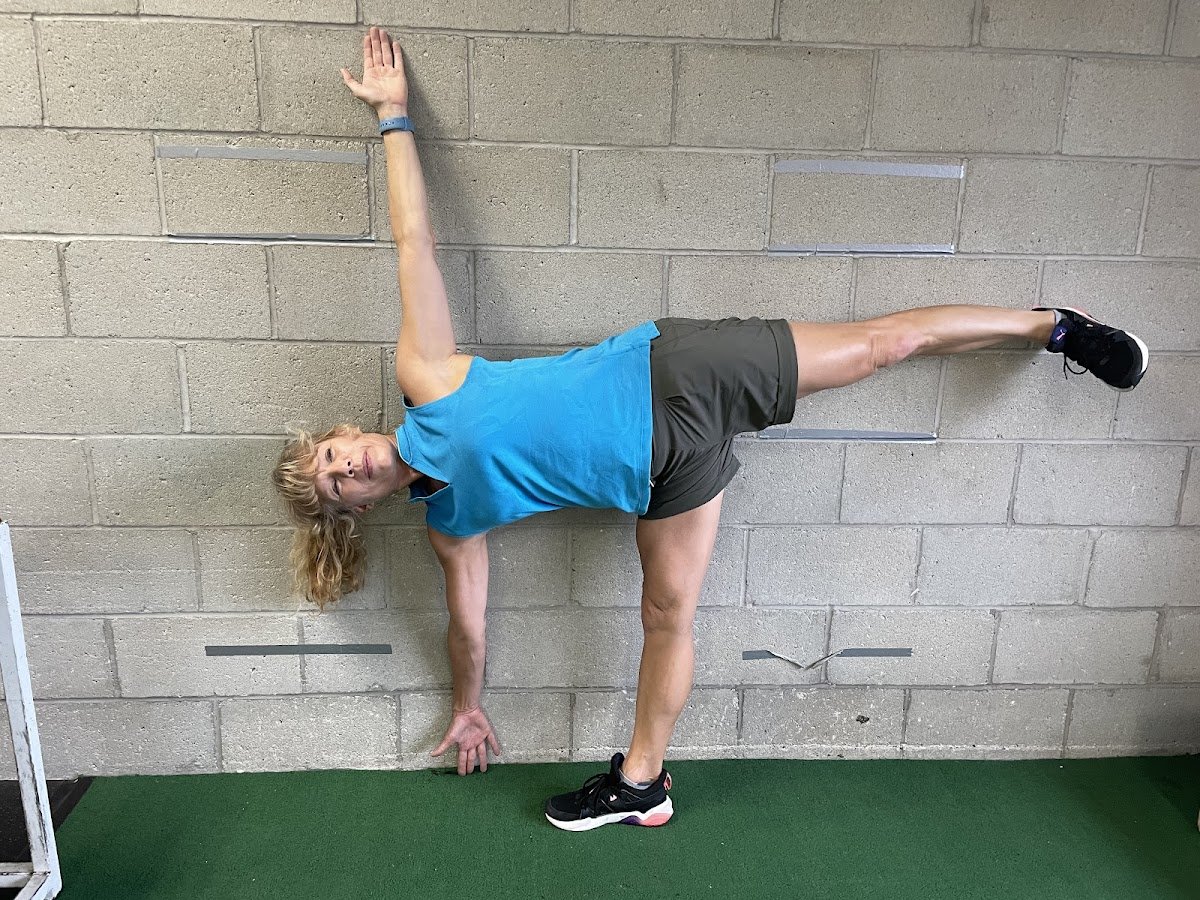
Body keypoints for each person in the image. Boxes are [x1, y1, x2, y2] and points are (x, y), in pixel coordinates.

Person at [272, 27, 1149, 832]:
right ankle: (642, 782)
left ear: (348, 432)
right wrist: (467, 704)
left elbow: (414, 242)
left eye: (334, 453)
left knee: (883, 345)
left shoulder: (425, 377)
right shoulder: (450, 526)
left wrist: (393, 118)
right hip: (664, 479)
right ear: (359, 509)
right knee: (666, 616)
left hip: (674, 371)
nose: (348, 467)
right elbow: (468, 628)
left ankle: (1054, 328)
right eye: (337, 484)